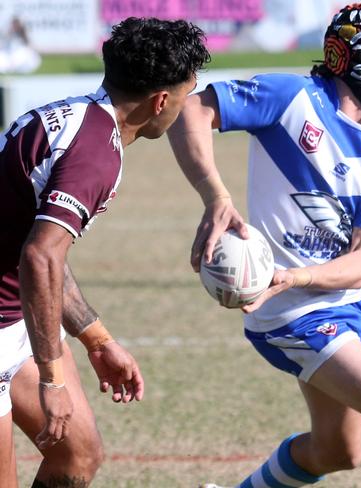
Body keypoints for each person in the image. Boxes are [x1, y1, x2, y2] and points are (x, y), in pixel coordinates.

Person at [168, 3, 361, 487]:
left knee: (337, 451)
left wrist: (296, 275)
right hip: (288, 314)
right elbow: (190, 112)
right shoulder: (290, 98)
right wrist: (215, 196)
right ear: (355, 60)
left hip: (339, 305)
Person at [0, 17, 210, 488]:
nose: (182, 107)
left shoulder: (80, 117)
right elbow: (40, 258)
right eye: (184, 95)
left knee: (78, 458)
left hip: (16, 317)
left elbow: (39, 252)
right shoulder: (96, 152)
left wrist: (97, 338)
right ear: (161, 101)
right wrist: (52, 379)